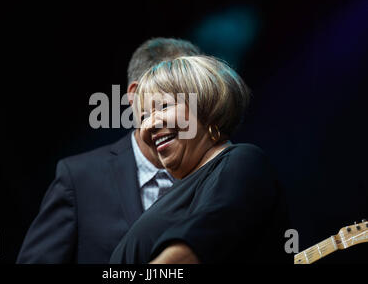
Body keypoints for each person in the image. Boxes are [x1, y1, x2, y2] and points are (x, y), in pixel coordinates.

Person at [16, 38, 202, 263]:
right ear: (136, 97)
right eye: (173, 100)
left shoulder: (218, 171)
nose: (188, 114)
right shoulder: (79, 178)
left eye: (195, 99)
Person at [109, 56, 290, 264]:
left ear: (206, 107)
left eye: (164, 106)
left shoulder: (243, 160)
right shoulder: (178, 194)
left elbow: (193, 250)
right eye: (143, 117)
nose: (148, 126)